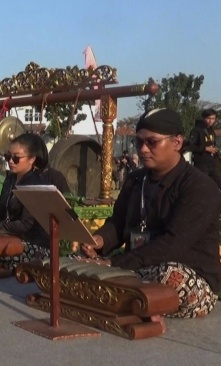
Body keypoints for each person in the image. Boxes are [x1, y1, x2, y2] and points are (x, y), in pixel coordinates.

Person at [81, 108, 220, 318]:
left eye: (152, 142)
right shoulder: (135, 180)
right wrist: (99, 241)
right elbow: (118, 223)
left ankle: (116, 293)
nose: (143, 149)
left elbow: (173, 245)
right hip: (136, 267)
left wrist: (114, 264)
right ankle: (119, 295)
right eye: (139, 142)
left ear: (177, 142)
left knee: (168, 275)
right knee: (76, 263)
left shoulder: (199, 187)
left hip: (189, 276)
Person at [0, 133, 52, 270]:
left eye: (16, 158)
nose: (11, 161)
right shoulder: (10, 179)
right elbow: (0, 210)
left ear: (32, 159)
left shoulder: (35, 184)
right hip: (9, 236)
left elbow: (25, 225)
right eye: (8, 156)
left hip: (32, 244)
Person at [189, 108, 221, 190]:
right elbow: (190, 146)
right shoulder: (197, 130)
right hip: (201, 164)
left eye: (213, 118)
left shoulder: (211, 130)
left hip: (212, 164)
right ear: (203, 118)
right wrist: (205, 148)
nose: (210, 121)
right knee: (201, 187)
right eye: (208, 118)